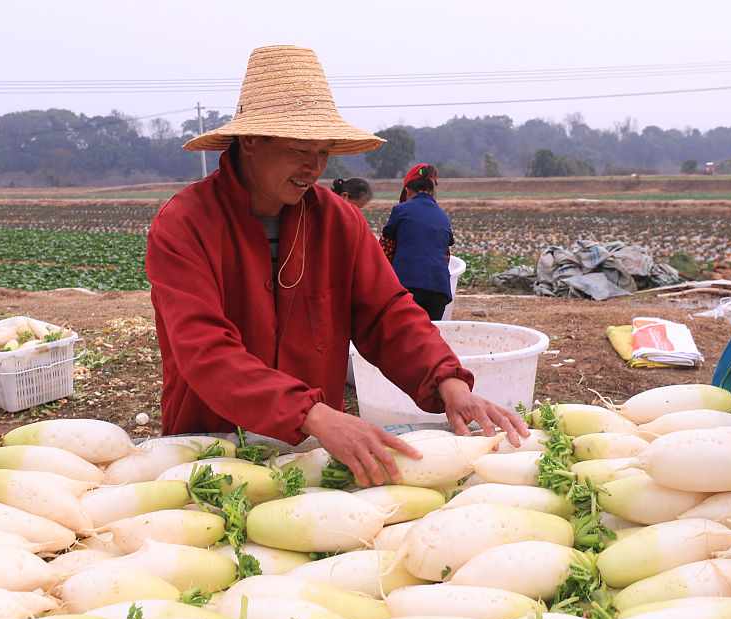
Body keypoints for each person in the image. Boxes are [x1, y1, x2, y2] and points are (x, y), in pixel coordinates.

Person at [144, 45, 526, 488]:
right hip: (211, 442)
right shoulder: (185, 224)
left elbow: (387, 313)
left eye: (324, 151)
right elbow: (204, 350)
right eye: (300, 149)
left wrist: (447, 380)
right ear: (250, 140)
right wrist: (311, 414)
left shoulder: (338, 221)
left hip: (314, 448)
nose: (315, 166)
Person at [379, 164, 455, 321]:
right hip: (439, 291)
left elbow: (385, 251)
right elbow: (445, 254)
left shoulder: (400, 210)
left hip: (408, 288)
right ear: (433, 192)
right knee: (428, 338)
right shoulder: (443, 216)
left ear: (407, 191)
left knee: (404, 336)